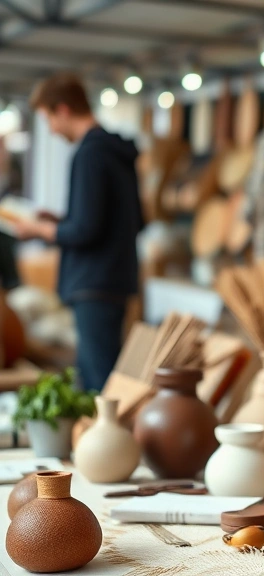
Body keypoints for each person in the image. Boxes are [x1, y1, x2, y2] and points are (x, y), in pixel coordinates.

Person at [16, 73, 143, 392]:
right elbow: (128, 219)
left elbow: (86, 230)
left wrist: (40, 230)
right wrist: (60, 219)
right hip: (113, 279)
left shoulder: (91, 153)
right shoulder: (116, 152)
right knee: (99, 374)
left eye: (47, 119)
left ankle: (103, 442)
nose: (51, 129)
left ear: (62, 110)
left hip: (94, 282)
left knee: (98, 383)